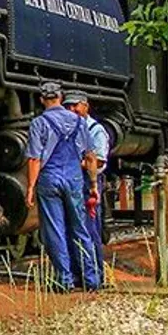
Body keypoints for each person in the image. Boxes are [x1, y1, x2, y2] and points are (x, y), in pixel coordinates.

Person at [26, 81, 100, 291]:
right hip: (74, 178)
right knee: (80, 229)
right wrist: (93, 184)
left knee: (55, 230)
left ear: (42, 100)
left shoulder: (38, 123)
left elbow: (34, 159)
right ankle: (91, 280)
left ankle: (64, 281)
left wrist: (30, 187)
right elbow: (91, 156)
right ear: (61, 97)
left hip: (49, 179)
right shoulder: (79, 122)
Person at [64, 90, 109, 283]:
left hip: (87, 182)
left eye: (76, 105)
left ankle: (96, 275)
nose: (72, 109)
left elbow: (97, 162)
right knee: (72, 230)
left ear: (86, 106)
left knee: (89, 230)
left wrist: (70, 161)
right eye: (68, 106)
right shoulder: (67, 129)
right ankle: (78, 273)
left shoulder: (95, 130)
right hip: (73, 181)